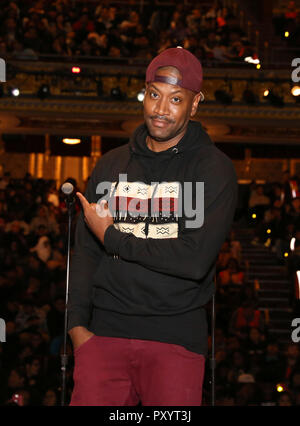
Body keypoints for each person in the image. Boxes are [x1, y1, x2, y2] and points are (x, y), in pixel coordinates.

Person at [67, 47, 238, 406]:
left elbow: (193, 260)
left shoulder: (214, 169)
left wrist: (113, 236)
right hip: (103, 337)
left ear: (194, 105)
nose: (161, 109)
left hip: (175, 340)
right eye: (154, 95)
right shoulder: (111, 164)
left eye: (176, 99)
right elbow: (84, 253)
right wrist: (77, 329)